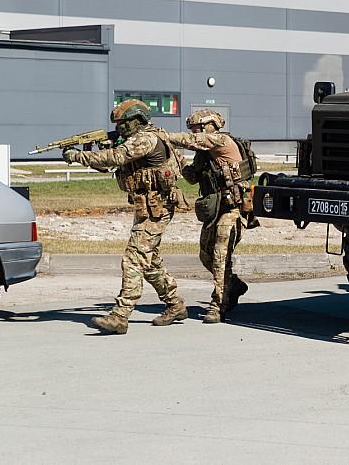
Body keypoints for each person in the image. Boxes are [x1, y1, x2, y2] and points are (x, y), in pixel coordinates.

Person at [63, 100, 188, 334]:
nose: (119, 127)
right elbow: (113, 164)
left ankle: (120, 316)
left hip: (157, 208)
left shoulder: (146, 139)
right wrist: (91, 152)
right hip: (148, 208)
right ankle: (175, 305)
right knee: (149, 262)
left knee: (133, 258)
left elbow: (116, 158)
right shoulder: (137, 138)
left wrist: (79, 157)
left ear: (137, 121)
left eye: (123, 123)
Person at [166, 109, 251, 324]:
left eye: (196, 128)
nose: (193, 133)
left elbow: (192, 141)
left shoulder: (222, 141)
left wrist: (164, 136)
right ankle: (234, 285)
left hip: (232, 210)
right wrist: (178, 160)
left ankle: (217, 306)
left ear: (208, 126)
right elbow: (193, 178)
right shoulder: (204, 154)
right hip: (215, 210)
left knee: (221, 256)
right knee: (206, 255)